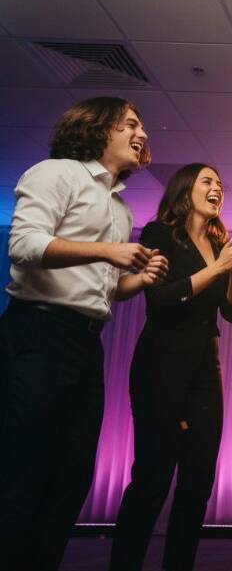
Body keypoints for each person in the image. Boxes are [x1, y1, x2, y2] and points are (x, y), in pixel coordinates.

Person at [0, 96, 167, 570]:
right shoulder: (56, 173)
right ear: (97, 128)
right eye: (130, 124)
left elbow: (107, 290)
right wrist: (108, 252)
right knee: (25, 469)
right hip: (38, 333)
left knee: (72, 476)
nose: (141, 134)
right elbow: (24, 244)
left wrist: (139, 278)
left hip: (85, 343)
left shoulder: (121, 209)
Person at [110, 163, 232, 571]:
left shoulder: (218, 243)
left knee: (198, 482)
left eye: (220, 183)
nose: (217, 188)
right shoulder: (159, 233)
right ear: (185, 189)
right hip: (162, 362)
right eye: (208, 181)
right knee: (153, 477)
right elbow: (161, 300)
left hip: (204, 370)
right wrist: (219, 268)